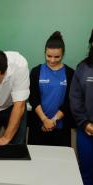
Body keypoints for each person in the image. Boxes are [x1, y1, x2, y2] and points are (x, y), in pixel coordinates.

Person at [28, 31, 74, 147]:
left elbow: (69, 101)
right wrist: (44, 120)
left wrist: (53, 121)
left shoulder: (70, 73)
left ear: (63, 54)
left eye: (57, 56)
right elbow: (33, 98)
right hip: (38, 127)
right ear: (44, 53)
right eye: (49, 56)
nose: (52, 60)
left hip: (61, 128)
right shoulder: (36, 72)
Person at [69, 29, 93, 185]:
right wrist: (85, 123)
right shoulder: (83, 68)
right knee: (86, 173)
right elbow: (75, 98)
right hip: (87, 131)